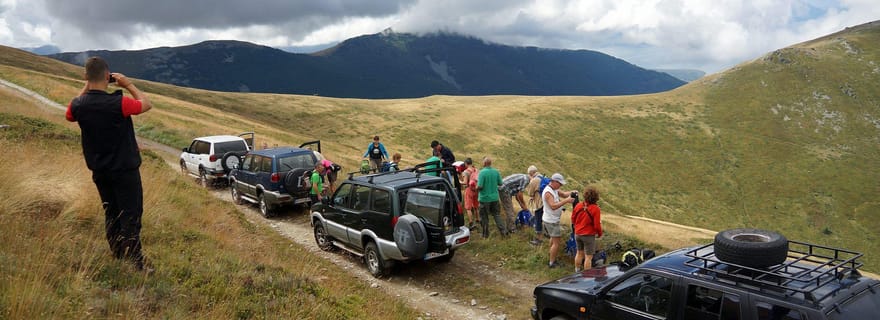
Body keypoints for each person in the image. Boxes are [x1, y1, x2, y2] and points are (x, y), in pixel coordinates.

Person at [65, 56, 152, 271]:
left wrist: (88, 84)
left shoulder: (78, 105)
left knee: (111, 212)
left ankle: (118, 254)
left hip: (99, 170)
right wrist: (128, 84)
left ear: (85, 76)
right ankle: (136, 264)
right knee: (130, 215)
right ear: (107, 76)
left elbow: (70, 114)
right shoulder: (119, 103)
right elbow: (146, 104)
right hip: (125, 170)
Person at [542, 173, 576, 268]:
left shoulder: (554, 189)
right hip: (551, 220)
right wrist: (567, 201)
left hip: (552, 219)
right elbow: (553, 206)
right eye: (560, 183)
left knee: (553, 239)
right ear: (554, 182)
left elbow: (564, 194)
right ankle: (552, 262)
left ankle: (551, 256)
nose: (560, 185)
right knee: (557, 242)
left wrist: (572, 192)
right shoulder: (548, 192)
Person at [572, 186, 602, 272]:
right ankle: (586, 275)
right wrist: (599, 233)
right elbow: (597, 225)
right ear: (596, 197)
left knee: (579, 253)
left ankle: (577, 271)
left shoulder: (578, 206)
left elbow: (573, 219)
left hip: (577, 233)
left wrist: (577, 227)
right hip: (588, 235)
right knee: (588, 257)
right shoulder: (596, 209)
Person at [477, 157, 505, 238]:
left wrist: (476, 188)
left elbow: (480, 186)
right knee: (497, 215)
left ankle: (485, 235)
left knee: (484, 217)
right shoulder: (496, 171)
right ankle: (503, 232)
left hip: (484, 198)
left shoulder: (482, 172)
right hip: (495, 198)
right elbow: (500, 183)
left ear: (484, 163)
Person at [525, 165, 545, 245]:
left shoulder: (534, 180)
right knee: (544, 219)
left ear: (531, 173)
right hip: (547, 202)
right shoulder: (544, 177)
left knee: (538, 220)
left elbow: (530, 193)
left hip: (539, 203)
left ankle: (538, 239)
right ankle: (546, 235)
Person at [460, 158, 480, 229]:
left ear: (466, 164)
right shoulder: (476, 170)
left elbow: (465, 182)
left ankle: (471, 223)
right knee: (476, 206)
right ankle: (478, 219)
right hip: (476, 190)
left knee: (468, 208)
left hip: (469, 190)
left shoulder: (466, 172)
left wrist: (459, 181)